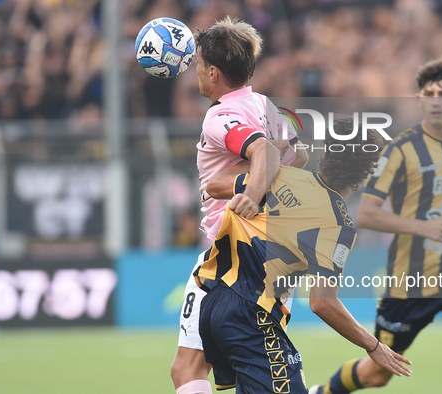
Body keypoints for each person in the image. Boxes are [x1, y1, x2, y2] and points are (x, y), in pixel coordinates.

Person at [310, 58, 442, 394]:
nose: (435, 100)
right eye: (428, 93)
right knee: (376, 374)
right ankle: (322, 392)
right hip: (410, 280)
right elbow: (366, 213)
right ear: (419, 100)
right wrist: (424, 228)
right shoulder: (399, 151)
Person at [195, 118, 413, 394]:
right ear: (366, 174)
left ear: (325, 153)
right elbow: (322, 302)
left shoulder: (282, 176)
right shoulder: (338, 225)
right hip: (252, 314)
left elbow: (214, 186)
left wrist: (267, 153)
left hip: (215, 303)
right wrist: (374, 345)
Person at [170, 16, 308, 394]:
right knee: (259, 368)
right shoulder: (264, 104)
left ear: (214, 72)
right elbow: (300, 155)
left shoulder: (220, 116)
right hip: (272, 253)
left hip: (230, 257)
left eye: (198, 65)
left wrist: (250, 191)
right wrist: (258, 172)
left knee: (188, 370)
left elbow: (261, 147)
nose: (194, 72)